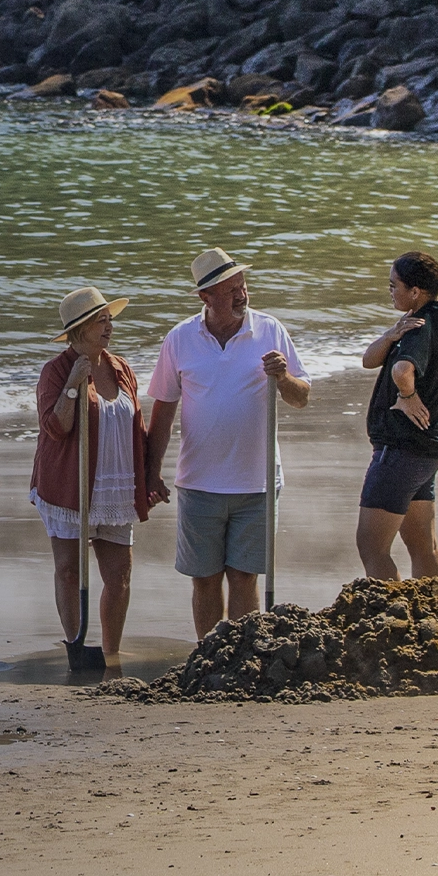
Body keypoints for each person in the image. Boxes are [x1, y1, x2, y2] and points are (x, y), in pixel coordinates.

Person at [146, 248, 311, 637]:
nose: (242, 295)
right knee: (204, 579)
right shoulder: (180, 338)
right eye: (231, 289)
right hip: (199, 482)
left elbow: (301, 396)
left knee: (243, 577)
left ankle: (241, 657)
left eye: (243, 285)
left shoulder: (270, 330)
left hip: (258, 482)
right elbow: (163, 413)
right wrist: (151, 474)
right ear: (206, 297)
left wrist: (283, 378)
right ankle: (208, 656)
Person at [29, 286, 160, 667]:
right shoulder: (55, 371)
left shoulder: (121, 367)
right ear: (81, 328)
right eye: (101, 320)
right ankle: (76, 647)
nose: (109, 327)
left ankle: (110, 651)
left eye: (109, 319)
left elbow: (138, 427)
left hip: (115, 484)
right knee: (70, 570)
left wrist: (150, 477)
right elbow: (56, 428)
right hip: (70, 485)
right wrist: (73, 381)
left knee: (119, 575)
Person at [357, 251, 438, 580]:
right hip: (425, 450)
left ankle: (389, 622)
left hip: (400, 450)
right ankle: (436, 615)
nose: (390, 291)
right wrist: (391, 334)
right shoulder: (436, 320)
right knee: (422, 546)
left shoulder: (420, 326)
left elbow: (402, 370)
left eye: (393, 285)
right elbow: (369, 361)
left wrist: (407, 396)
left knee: (372, 545)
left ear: (415, 291)